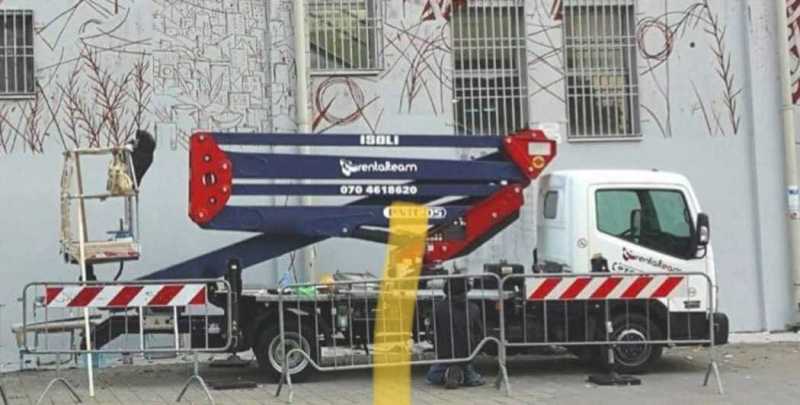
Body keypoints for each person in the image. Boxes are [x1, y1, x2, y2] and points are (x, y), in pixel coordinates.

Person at [426, 277, 486, 388]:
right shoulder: (473, 308)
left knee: (431, 376)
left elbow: (431, 332)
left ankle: (447, 375)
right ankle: (464, 375)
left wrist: (436, 346)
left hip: (445, 354)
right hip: (467, 354)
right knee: (475, 378)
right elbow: (480, 333)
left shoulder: (438, 308)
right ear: (467, 289)